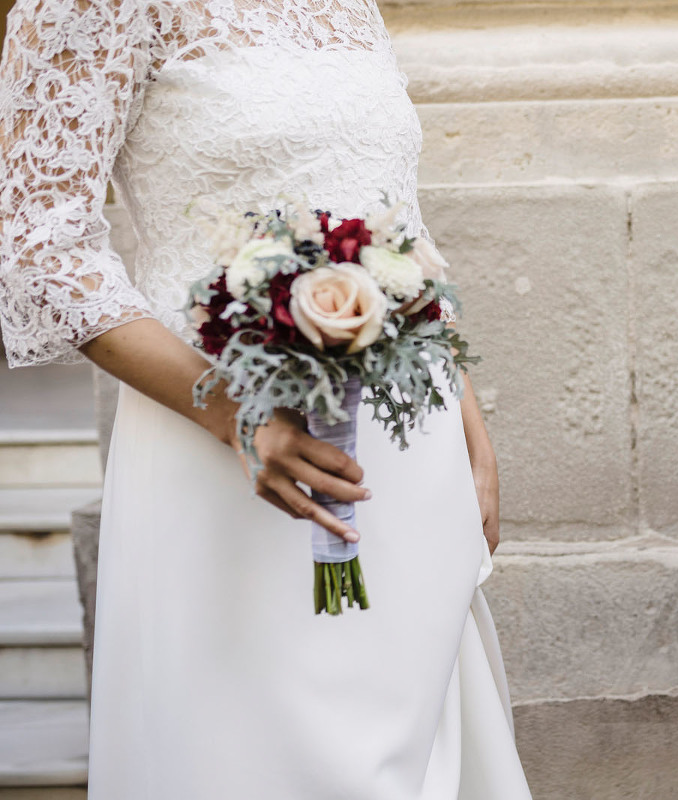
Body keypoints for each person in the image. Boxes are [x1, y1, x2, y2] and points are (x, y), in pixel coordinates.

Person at [0, 1, 532, 797]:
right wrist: (233, 414)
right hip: (226, 448)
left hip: (405, 461)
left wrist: (465, 412)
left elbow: (397, 225)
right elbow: (40, 242)